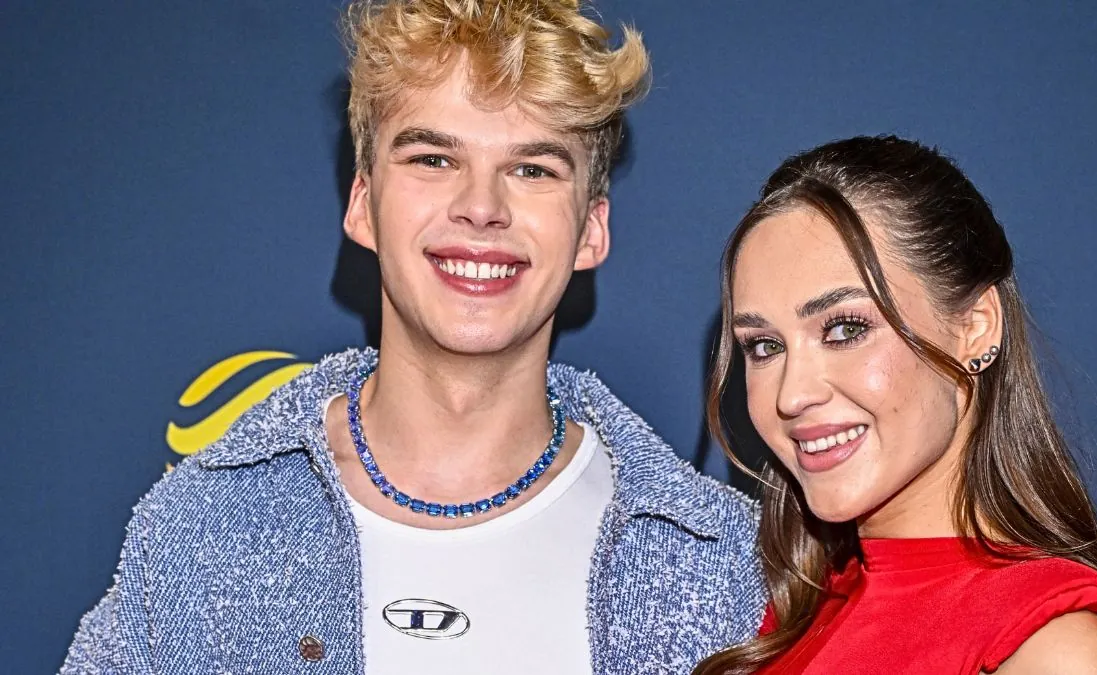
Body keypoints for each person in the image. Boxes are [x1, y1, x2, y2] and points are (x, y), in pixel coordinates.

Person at [60, 2, 764, 672]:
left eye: (532, 169)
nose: (481, 207)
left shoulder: (718, 563)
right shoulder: (202, 531)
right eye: (434, 159)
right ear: (363, 206)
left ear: (591, 230)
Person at [693, 136, 1097, 674]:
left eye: (845, 329)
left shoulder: (1051, 647)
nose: (792, 395)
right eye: (764, 346)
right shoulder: (801, 615)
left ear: (975, 328)